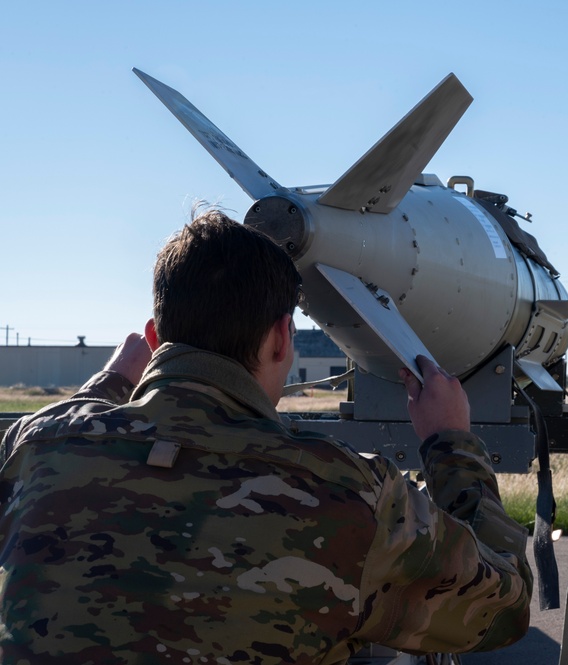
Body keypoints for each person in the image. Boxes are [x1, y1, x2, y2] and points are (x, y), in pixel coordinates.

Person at [0, 209, 532, 664]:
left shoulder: (34, 452)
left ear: (156, 338)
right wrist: (451, 444)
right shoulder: (350, 494)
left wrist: (108, 387)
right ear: (283, 338)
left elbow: (48, 438)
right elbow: (503, 607)